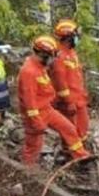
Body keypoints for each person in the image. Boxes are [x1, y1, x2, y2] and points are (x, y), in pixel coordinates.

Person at [18, 36, 89, 165]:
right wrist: (36, 122)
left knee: (69, 129)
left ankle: (82, 157)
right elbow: (29, 102)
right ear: (43, 55)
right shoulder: (28, 72)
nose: (53, 60)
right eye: (51, 56)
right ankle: (27, 171)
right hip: (35, 114)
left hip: (47, 109)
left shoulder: (40, 67)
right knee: (34, 146)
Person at [50, 19, 90, 141]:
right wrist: (68, 102)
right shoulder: (59, 56)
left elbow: (77, 76)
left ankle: (82, 152)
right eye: (75, 36)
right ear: (68, 38)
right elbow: (60, 83)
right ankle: (72, 155)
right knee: (71, 133)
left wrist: (83, 94)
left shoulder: (72, 53)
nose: (77, 39)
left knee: (83, 129)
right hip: (69, 103)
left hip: (79, 100)